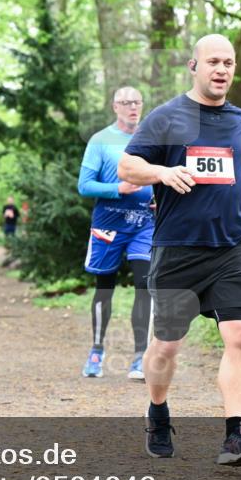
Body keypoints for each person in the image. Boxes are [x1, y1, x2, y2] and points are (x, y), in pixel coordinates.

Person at [118, 34, 241, 467]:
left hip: (230, 246)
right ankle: (157, 411)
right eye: (213, 61)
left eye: (228, 63)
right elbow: (127, 166)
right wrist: (162, 170)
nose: (222, 69)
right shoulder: (166, 117)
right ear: (193, 66)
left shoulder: (239, 119)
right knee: (167, 347)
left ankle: (235, 436)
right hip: (178, 249)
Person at [77, 86, 154, 380]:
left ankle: (140, 356)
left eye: (136, 102)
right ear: (115, 107)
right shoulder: (100, 140)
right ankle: (96, 350)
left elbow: (163, 174)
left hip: (144, 223)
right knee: (104, 286)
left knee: (144, 284)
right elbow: (85, 185)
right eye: (126, 102)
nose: (132, 107)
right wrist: (117, 189)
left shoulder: (151, 138)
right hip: (108, 223)